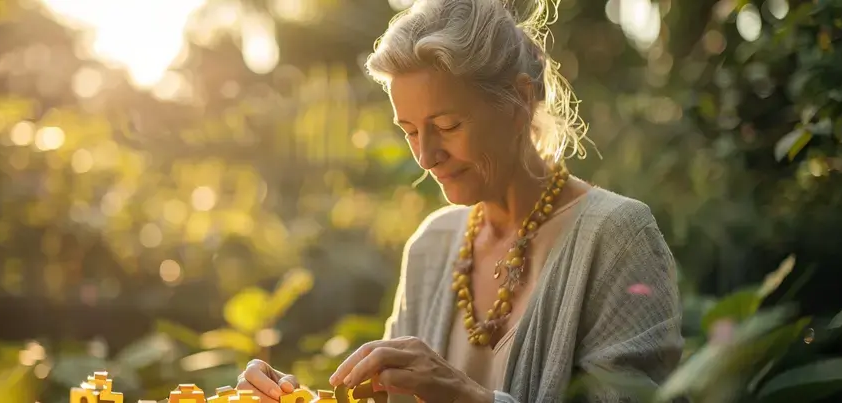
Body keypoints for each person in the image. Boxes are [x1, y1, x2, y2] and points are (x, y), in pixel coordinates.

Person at [237, 0, 683, 401]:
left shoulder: (617, 237)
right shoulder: (432, 244)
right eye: (409, 130)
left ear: (519, 101)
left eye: (447, 125)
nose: (426, 156)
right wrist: (298, 397)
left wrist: (467, 398)